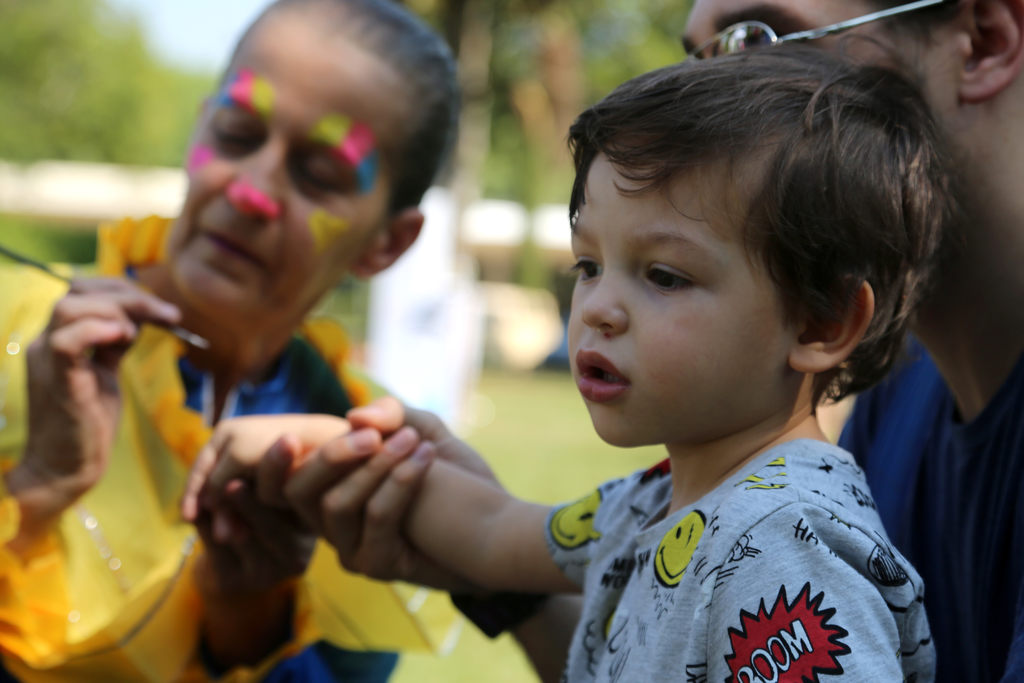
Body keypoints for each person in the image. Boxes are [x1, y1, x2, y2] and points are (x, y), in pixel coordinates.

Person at [187, 46, 959, 681]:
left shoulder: (791, 546)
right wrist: (308, 448)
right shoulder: (655, 500)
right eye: (588, 265)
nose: (596, 308)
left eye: (663, 275)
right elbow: (492, 531)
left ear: (822, 321)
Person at [0, 0, 461, 680]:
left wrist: (247, 617)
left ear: (388, 242)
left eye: (319, 174)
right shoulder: (16, 324)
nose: (251, 191)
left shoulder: (358, 461)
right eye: (239, 133)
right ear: (199, 127)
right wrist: (38, 486)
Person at [680, 2, 1024, 681]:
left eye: (754, 42)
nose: (694, 120)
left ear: (982, 43)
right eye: (699, 65)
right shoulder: (901, 390)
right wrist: (491, 561)